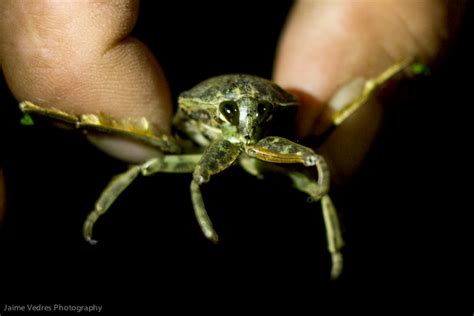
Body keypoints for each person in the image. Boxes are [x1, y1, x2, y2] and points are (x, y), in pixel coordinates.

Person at [0, 0, 467, 220]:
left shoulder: (266, 133)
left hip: (272, 149)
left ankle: (335, 245)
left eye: (257, 112)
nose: (245, 121)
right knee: (142, 162)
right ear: (212, 111)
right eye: (231, 113)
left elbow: (315, 157)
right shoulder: (200, 133)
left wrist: (382, 77)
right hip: (189, 141)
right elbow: (190, 173)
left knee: (323, 149)